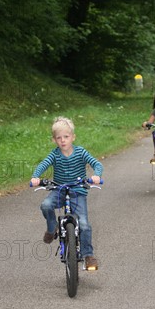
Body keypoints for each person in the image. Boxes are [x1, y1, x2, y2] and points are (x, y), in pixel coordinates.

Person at [30, 116, 103, 270]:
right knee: (46, 205)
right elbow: (43, 164)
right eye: (59, 138)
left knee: (83, 224)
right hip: (59, 190)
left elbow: (96, 163)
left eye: (66, 137)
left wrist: (96, 175)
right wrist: (36, 177)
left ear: (73, 137)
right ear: (54, 140)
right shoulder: (55, 154)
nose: (63, 140)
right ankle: (52, 228)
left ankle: (88, 255)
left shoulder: (80, 152)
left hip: (77, 191)